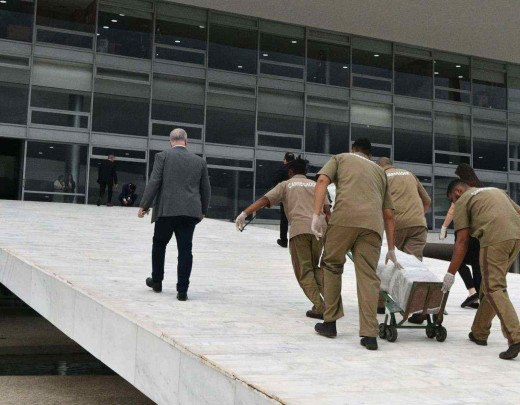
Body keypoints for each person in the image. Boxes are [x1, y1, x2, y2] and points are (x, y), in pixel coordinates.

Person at [311, 138, 401, 351]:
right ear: (370, 154)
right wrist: (391, 247)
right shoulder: (380, 172)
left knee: (332, 265)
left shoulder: (341, 158)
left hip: (344, 218)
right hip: (373, 226)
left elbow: (322, 181)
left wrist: (316, 214)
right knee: (368, 277)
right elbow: (389, 213)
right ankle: (370, 335)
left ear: (353, 150)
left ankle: (330, 323)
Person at [235, 157, 331, 319]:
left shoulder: (286, 185)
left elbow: (265, 200)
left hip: (299, 230)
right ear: (306, 172)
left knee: (304, 271)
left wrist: (245, 213)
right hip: (319, 231)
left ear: (290, 172)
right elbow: (328, 212)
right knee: (316, 268)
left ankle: (320, 307)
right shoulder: (317, 185)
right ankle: (330, 304)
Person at [441, 180, 520, 360]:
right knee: (489, 287)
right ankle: (479, 332)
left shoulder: (462, 201)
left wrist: (450, 273)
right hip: (515, 238)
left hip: (493, 239)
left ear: (458, 191)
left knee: (494, 288)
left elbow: (462, 241)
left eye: (452, 198)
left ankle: (515, 337)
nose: (453, 203)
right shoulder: (496, 190)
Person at [138, 128, 211, 301]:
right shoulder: (199, 161)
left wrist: (144, 205)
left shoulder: (162, 157)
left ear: (170, 141)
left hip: (166, 210)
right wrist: (203, 210)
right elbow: (206, 188)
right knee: (185, 249)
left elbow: (155, 182)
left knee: (159, 244)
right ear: (186, 141)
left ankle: (157, 281)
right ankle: (182, 290)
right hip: (190, 212)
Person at [439, 163, 482, 309]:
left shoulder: (462, 191)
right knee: (477, 264)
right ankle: (478, 296)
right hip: (478, 232)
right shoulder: (479, 187)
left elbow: (453, 210)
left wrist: (444, 227)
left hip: (465, 229)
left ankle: (472, 292)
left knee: (458, 259)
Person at [378, 157, 431, 260]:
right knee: (413, 263)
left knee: (391, 262)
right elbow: (427, 201)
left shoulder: (382, 176)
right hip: (418, 225)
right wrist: (417, 215)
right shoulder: (409, 174)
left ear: (379, 167)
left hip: (396, 224)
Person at [273, 152, 295, 248]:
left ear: (285, 159)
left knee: (284, 219)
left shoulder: (282, 169)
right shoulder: (297, 168)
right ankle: (297, 240)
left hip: (286, 196)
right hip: (297, 196)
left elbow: (276, 182)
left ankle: (283, 240)